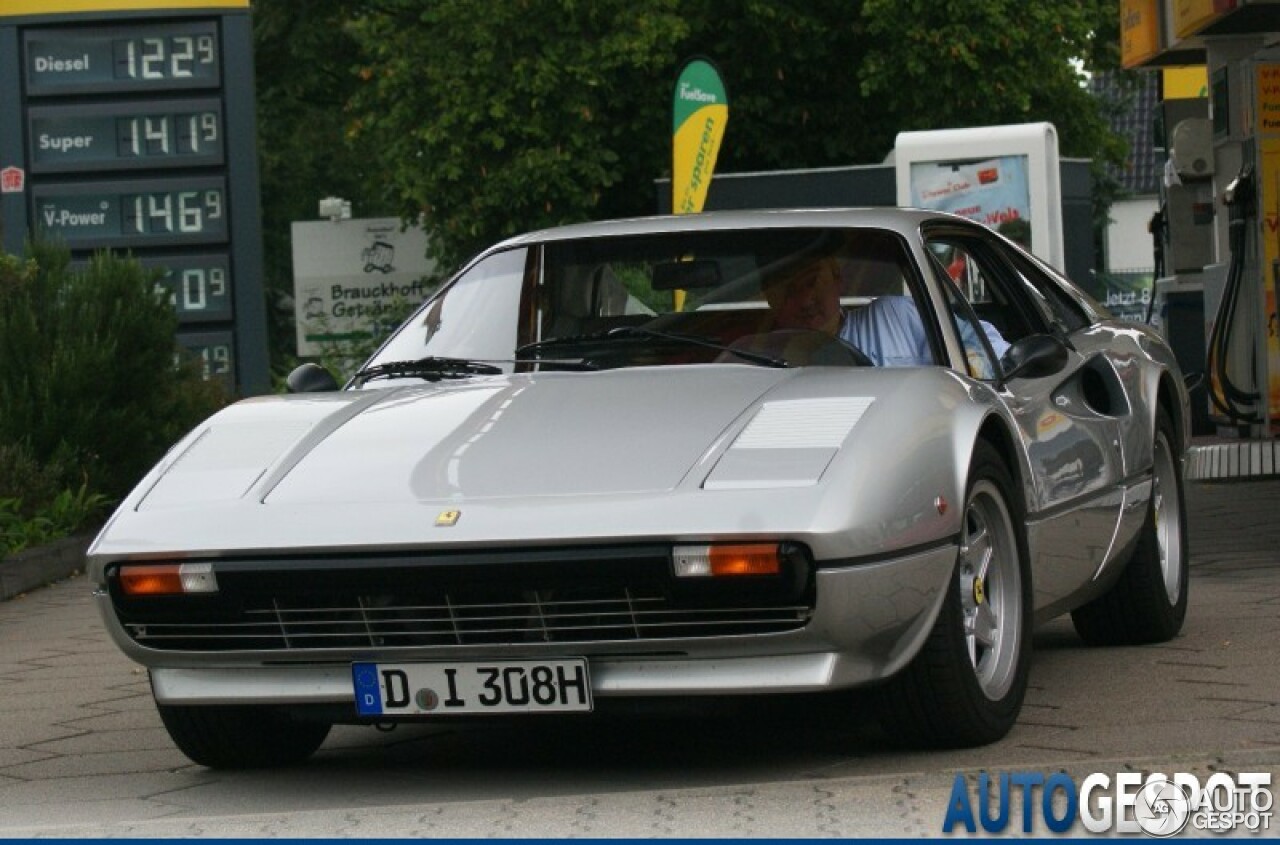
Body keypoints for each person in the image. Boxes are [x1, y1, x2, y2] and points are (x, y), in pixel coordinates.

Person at [751, 256, 1009, 372]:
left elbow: (987, 345)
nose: (805, 300)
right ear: (769, 298)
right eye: (788, 291)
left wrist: (974, 367)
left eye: (811, 282)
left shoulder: (893, 317)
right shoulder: (755, 361)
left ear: (837, 279)